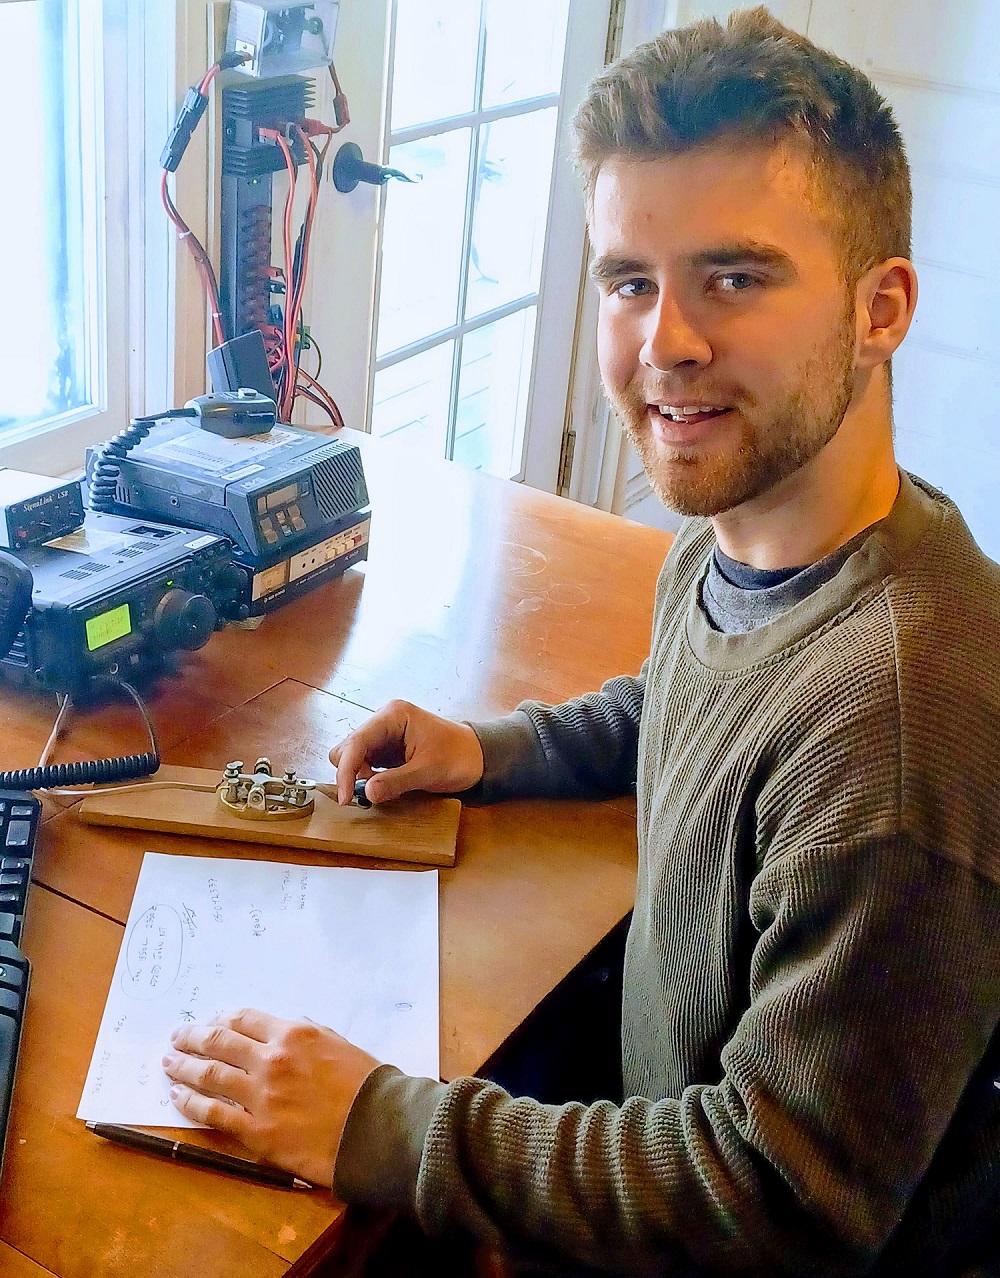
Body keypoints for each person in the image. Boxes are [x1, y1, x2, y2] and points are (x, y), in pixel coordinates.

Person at [162, 8, 1000, 1274]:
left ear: (880, 309)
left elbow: (779, 1201)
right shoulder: (755, 531)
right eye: (629, 280)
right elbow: (686, 697)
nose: (666, 344)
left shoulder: (895, 728)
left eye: (735, 278)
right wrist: (491, 750)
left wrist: (378, 1127)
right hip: (652, 1089)